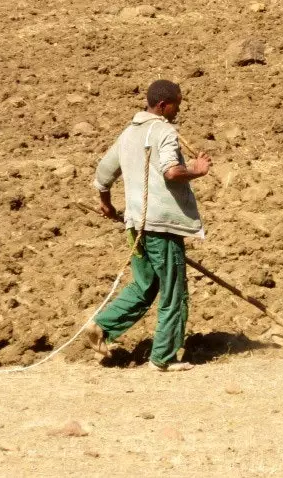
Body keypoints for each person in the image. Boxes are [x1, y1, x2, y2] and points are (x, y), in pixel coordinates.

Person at [82, 79, 211, 372]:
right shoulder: (165, 131)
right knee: (173, 292)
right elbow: (171, 172)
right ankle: (163, 358)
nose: (179, 109)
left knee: (145, 285)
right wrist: (197, 170)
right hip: (160, 225)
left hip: (134, 225)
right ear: (163, 105)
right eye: (177, 103)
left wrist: (106, 202)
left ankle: (101, 326)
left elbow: (104, 173)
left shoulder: (128, 134)